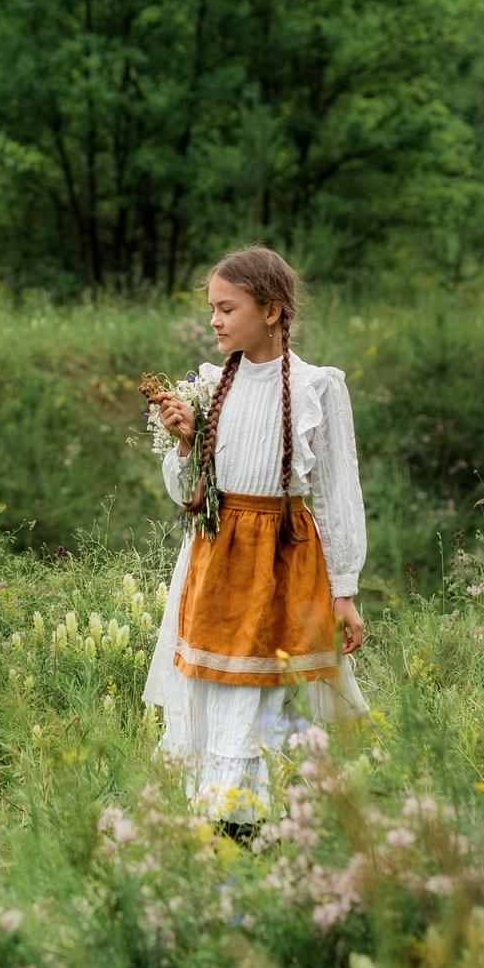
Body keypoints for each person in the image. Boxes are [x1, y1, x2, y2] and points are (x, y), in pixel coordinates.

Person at [142, 246, 368, 834]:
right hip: (216, 560)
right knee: (214, 691)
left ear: (271, 311)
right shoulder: (212, 385)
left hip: (282, 563)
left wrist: (344, 589)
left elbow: (338, 495)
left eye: (226, 308)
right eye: (212, 308)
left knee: (267, 693)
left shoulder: (319, 387)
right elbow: (184, 491)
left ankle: (259, 826)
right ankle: (221, 825)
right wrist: (187, 443)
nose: (214, 320)